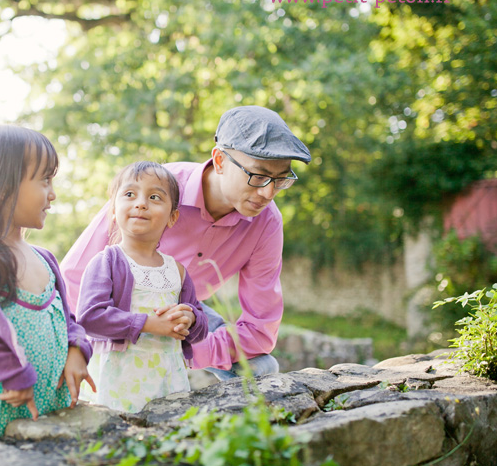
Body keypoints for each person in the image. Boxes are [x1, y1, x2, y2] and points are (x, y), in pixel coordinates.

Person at [62, 106, 311, 380]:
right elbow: (73, 276)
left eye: (280, 180)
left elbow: (260, 329)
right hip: (112, 309)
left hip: (186, 317)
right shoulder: (154, 189)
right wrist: (84, 345)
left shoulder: (267, 223)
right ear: (219, 161)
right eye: (258, 176)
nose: (268, 193)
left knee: (262, 370)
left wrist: (185, 350)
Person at [0, 125, 95, 437]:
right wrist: (14, 374)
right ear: (2, 187)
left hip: (42, 423)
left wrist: (77, 349)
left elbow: (68, 321)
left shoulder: (46, 260)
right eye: (44, 180)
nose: (53, 194)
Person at [76, 161, 208, 412]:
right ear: (114, 210)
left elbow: (200, 329)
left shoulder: (177, 271)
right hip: (118, 384)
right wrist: (148, 324)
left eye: (155, 197)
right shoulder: (107, 262)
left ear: (172, 217)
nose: (141, 203)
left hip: (167, 383)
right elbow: (90, 318)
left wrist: (190, 319)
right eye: (129, 194)